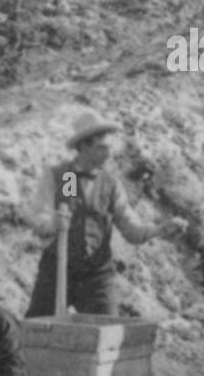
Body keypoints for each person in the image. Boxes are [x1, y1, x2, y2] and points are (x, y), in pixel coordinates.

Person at [26, 111, 182, 318]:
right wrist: (53, 223)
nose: (107, 154)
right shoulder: (62, 176)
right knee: (37, 331)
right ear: (82, 146)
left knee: (107, 332)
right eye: (101, 148)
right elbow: (37, 217)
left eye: (108, 148)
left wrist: (160, 229)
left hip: (96, 274)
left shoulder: (111, 184)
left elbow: (131, 230)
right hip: (57, 269)